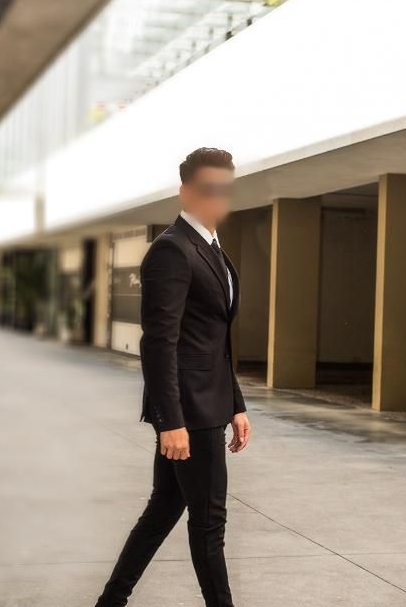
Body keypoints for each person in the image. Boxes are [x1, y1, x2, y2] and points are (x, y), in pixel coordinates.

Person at [95, 147, 251, 607]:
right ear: (186, 191)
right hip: (190, 411)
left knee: (165, 506)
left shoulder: (212, 249)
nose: (218, 198)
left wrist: (237, 404)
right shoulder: (172, 249)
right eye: (208, 189)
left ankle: (111, 600)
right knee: (209, 523)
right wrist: (170, 421)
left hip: (210, 402)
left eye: (225, 188)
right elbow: (159, 343)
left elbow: (213, 339)